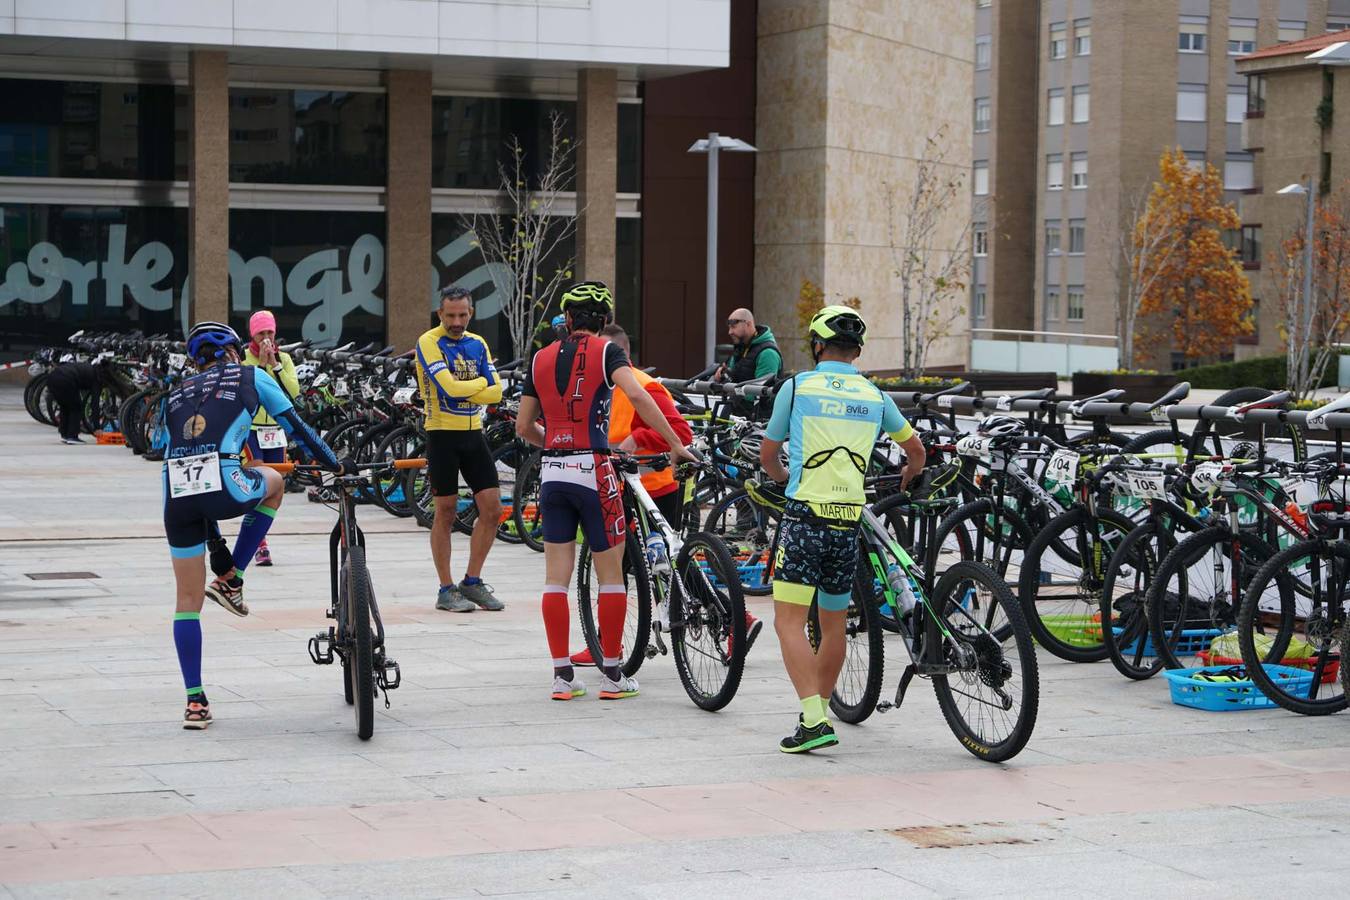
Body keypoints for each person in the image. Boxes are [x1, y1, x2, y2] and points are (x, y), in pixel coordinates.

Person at [164, 322, 350, 729]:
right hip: (226, 486)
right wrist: (335, 464)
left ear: (195, 361)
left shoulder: (174, 395)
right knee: (275, 482)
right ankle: (236, 579)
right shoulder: (252, 375)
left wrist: (218, 551)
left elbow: (185, 470)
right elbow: (296, 428)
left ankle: (195, 702)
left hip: (177, 500)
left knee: (186, 603)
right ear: (234, 350)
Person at [515, 282, 695, 702]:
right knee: (610, 575)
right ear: (602, 320)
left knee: (555, 579)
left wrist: (557, 443)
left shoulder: (540, 359)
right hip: (596, 470)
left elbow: (523, 427)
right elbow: (635, 393)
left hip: (554, 471)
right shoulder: (607, 351)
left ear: (568, 318)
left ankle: (562, 677)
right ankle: (612, 676)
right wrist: (674, 444)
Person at [758, 306, 926, 753]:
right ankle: (820, 710)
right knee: (834, 625)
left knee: (789, 621)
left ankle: (813, 720)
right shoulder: (875, 395)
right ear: (857, 349)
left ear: (817, 345)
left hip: (804, 518)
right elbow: (917, 451)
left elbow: (768, 452)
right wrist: (909, 474)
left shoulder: (796, 387)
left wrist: (780, 477)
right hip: (848, 520)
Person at [566, 324, 764, 667]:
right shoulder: (601, 387)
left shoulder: (644, 387)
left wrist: (636, 441)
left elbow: (681, 432)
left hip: (655, 490)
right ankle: (606, 640)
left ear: (621, 355)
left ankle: (735, 618)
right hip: (620, 489)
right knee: (622, 568)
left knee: (668, 567)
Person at [415, 286, 506, 613]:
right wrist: (481, 385)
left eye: (463, 314)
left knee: (493, 510)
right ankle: (445, 588)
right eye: (450, 315)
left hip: (474, 434)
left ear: (471, 312)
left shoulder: (477, 343)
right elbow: (449, 389)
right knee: (446, 511)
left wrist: (477, 389)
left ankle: (472, 581)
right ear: (440, 313)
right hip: (441, 434)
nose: (457, 321)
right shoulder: (428, 342)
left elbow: (497, 394)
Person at [241, 310, 300, 567]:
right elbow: (247, 388)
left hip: (275, 431)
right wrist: (261, 365)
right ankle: (259, 543)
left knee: (276, 485)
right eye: (261, 333)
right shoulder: (243, 358)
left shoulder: (284, 358)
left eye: (270, 333)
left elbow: (292, 391)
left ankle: (259, 535)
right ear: (252, 335)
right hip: (251, 430)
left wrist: (275, 365)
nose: (266, 338)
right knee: (257, 481)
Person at [45, 358, 127, 444]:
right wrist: (97, 428)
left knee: (66, 406)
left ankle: (65, 434)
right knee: (76, 407)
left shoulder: (92, 369)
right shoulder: (97, 378)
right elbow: (94, 404)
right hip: (66, 379)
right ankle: (72, 436)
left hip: (53, 377)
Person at [715, 308, 783, 383]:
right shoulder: (740, 348)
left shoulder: (768, 353)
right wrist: (723, 376)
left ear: (748, 324)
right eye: (729, 328)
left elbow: (761, 392)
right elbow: (734, 379)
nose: (730, 332)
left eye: (733, 327)